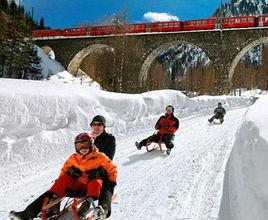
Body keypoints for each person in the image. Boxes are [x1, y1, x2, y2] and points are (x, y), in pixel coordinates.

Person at [9, 132, 117, 220]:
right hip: (77, 187)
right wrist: (68, 176)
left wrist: (111, 183)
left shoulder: (99, 157)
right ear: (75, 147)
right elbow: (63, 173)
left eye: (86, 144)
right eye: (79, 146)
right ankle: (28, 213)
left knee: (96, 180)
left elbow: (112, 169)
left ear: (91, 144)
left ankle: (86, 206)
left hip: (92, 189)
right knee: (63, 179)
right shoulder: (73, 158)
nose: (83, 148)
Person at [89, 115, 116, 218]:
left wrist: (95, 149)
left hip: (103, 169)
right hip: (87, 168)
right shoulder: (88, 139)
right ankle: (51, 205)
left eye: (99, 124)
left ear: (104, 126)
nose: (96, 127)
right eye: (94, 124)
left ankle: (103, 208)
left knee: (107, 183)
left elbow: (109, 157)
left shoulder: (110, 138)